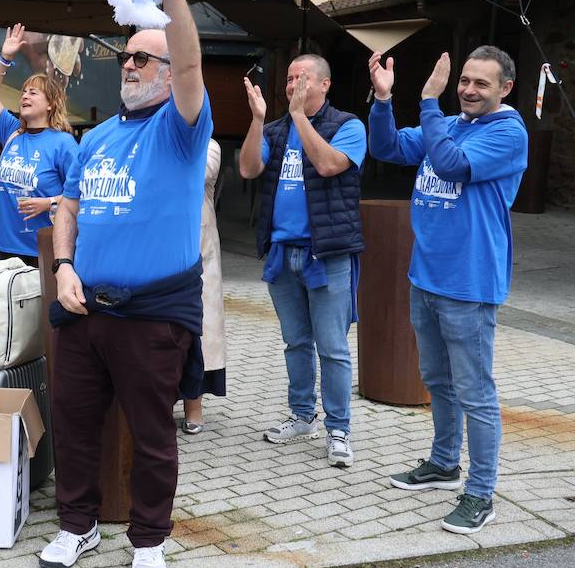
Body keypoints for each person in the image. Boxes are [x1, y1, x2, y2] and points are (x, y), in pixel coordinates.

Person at [41, 0, 212, 568]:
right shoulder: (100, 135)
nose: (130, 66)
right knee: (75, 424)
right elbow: (69, 208)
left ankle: (148, 540)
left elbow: (194, 67)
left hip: (152, 315)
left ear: (169, 75)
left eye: (144, 58)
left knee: (150, 435)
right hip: (84, 308)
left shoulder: (181, 126)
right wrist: (63, 267)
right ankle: (77, 524)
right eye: (128, 57)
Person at [368, 46, 528, 534]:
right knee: (436, 379)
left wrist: (430, 101)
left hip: (470, 283)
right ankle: (443, 463)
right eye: (464, 80)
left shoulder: (508, 132)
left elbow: (453, 165)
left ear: (505, 89)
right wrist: (381, 102)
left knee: (475, 393)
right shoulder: (452, 123)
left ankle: (480, 494)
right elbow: (389, 149)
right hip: (427, 276)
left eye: (482, 83)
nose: (469, 90)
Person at [241, 55, 366, 468]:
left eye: (303, 77)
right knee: (295, 341)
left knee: (332, 347)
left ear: (325, 85)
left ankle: (339, 429)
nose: (294, 83)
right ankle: (301, 414)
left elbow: (330, 165)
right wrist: (259, 120)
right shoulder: (275, 130)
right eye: (290, 76)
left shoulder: (349, 126)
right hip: (282, 253)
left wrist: (299, 117)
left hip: (326, 253)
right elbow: (248, 168)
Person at [0, 23, 79, 267]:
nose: (24, 96)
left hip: (45, 249)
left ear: (50, 104)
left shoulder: (63, 143)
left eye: (33, 93)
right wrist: (5, 58)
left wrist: (50, 203)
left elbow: (83, 194)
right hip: (5, 248)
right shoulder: (12, 132)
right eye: (23, 92)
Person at [180, 139, 226, 435]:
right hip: (157, 252)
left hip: (198, 250)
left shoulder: (208, 146)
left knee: (196, 332)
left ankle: (193, 408)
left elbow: (197, 174)